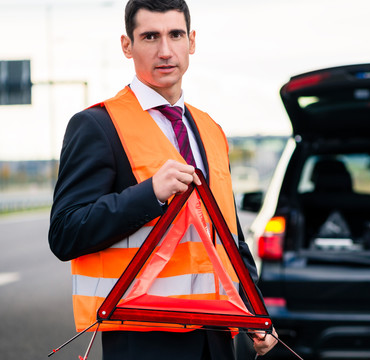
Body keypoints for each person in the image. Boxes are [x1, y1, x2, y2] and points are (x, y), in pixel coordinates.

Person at [48, 0, 277, 359]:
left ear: (192, 41)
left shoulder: (210, 129)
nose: (165, 51)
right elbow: (65, 233)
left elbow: (230, 237)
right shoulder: (97, 126)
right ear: (128, 46)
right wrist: (150, 193)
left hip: (216, 336)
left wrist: (256, 312)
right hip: (143, 337)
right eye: (150, 36)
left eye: (175, 35)